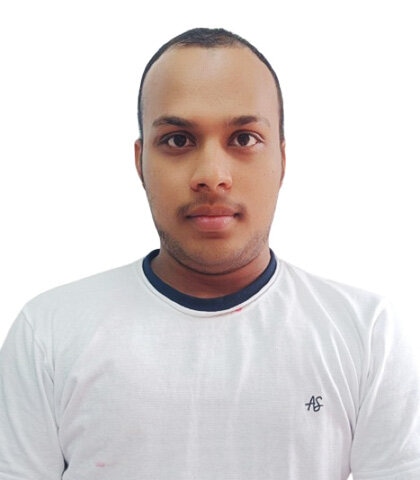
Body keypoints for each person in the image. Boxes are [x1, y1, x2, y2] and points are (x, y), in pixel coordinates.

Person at [0, 27, 419, 480]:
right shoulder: (48, 332)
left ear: (282, 159)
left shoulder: (365, 332)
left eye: (244, 139)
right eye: (178, 140)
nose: (212, 175)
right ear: (140, 162)